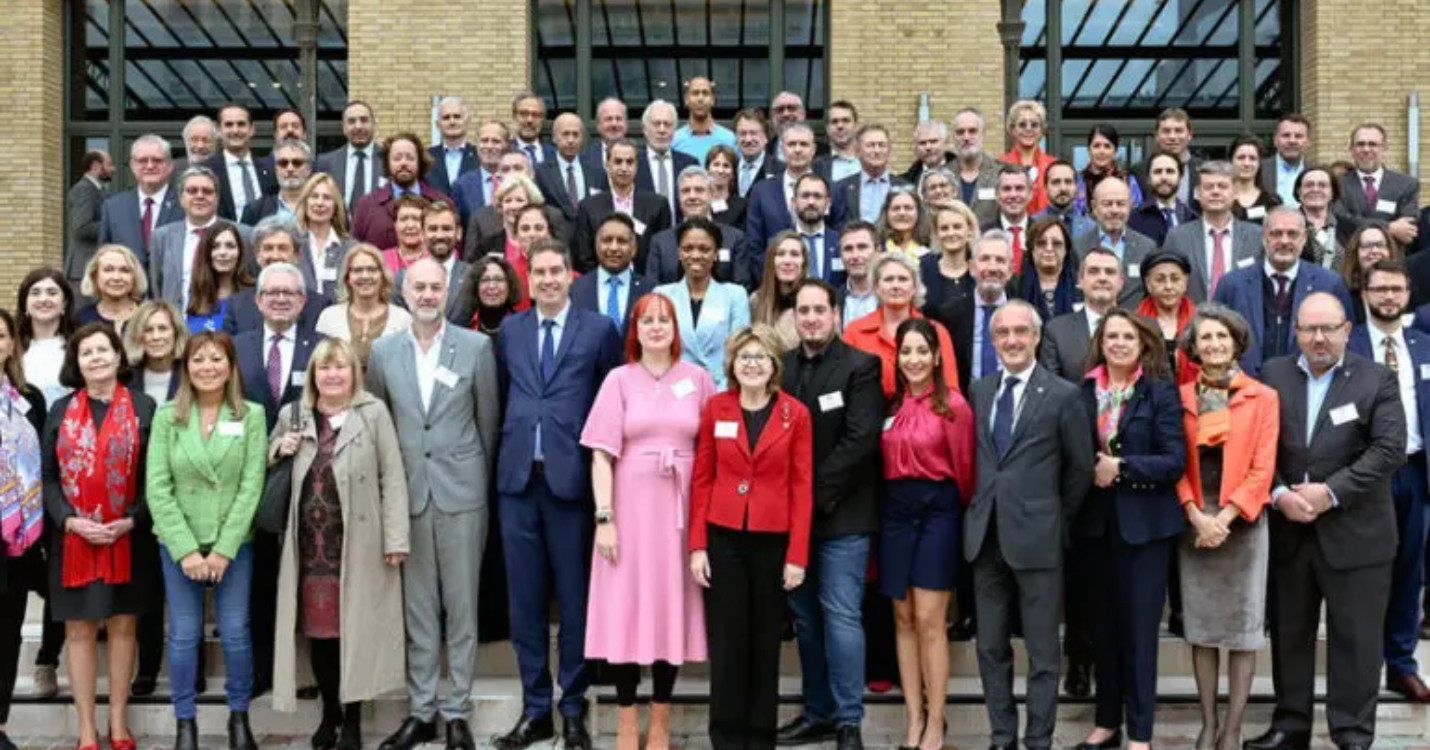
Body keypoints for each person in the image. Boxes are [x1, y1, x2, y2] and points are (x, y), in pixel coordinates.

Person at [1245, 292, 1405, 750]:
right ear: (1295, 330)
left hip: (1357, 533)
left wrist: (1329, 493)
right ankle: (1290, 725)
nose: (1318, 338)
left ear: (1346, 331)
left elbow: (1388, 451)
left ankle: (1352, 731)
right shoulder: (1273, 374)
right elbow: (1257, 445)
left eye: (1328, 329)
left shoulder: (1377, 379)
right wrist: (1276, 494)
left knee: (1356, 641)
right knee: (1290, 634)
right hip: (1291, 531)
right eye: (1309, 329)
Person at [366, 258, 500, 750]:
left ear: (447, 291)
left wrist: (480, 488)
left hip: (462, 493)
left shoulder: (476, 347)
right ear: (403, 290)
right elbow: (379, 421)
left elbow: (488, 424)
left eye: (434, 287)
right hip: (408, 495)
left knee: (462, 607)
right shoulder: (382, 352)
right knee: (419, 611)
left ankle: (458, 712)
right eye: (417, 286)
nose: (426, 294)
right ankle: (422, 711)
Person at [492, 242, 622, 750]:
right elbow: (504, 396)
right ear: (528, 277)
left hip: (572, 482)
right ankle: (535, 708)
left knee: (573, 600)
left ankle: (572, 708)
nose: (547, 279)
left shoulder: (598, 330)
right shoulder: (511, 331)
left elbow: (609, 400)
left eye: (555, 271)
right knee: (524, 602)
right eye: (538, 272)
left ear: (570, 276)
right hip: (518, 481)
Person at [579, 293, 718, 750]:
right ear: (635, 331)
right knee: (626, 610)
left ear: (676, 330)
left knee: (668, 610)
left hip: (678, 516)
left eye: (665, 320)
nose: (656, 327)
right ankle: (624, 720)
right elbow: (601, 453)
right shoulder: (619, 380)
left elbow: (715, 452)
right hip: (628, 511)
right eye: (647, 321)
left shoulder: (698, 379)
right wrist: (605, 517)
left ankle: (659, 718)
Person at [269, 338, 410, 749]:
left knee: (357, 632)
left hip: (360, 544)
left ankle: (352, 720)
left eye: (340, 367)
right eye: (324, 368)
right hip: (310, 550)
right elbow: (267, 457)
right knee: (322, 634)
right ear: (314, 374)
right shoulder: (294, 414)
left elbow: (393, 476)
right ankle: (329, 711)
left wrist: (396, 537)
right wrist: (282, 446)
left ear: (354, 373)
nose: (332, 375)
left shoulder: (373, 413)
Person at [966, 299, 1094, 750]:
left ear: (1037, 337)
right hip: (985, 539)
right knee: (990, 649)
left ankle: (1038, 739)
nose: (1012, 340)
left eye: (1021, 332)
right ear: (994, 340)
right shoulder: (979, 391)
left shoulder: (1062, 394)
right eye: (1003, 333)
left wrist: (1056, 520)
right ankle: (1003, 738)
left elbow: (1079, 470)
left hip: (1039, 540)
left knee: (1042, 653)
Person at [690, 324, 813, 750]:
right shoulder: (716, 409)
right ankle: (725, 737)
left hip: (772, 541)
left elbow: (802, 487)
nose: (753, 364)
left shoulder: (794, 414)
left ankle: (760, 738)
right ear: (732, 365)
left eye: (761, 357)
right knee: (727, 642)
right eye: (745, 357)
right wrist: (697, 546)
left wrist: (797, 555)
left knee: (764, 641)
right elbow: (702, 479)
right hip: (723, 539)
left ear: (774, 364)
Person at [775, 279, 884, 750]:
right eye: (804, 311)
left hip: (841, 515)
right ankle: (817, 712)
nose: (813, 318)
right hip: (790, 522)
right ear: (795, 318)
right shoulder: (781, 368)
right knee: (805, 620)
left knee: (840, 616)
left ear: (836, 314)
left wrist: (812, 497)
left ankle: (848, 721)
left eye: (821, 309)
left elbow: (860, 441)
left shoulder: (861, 366)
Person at [146, 331, 267, 750]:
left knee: (235, 631)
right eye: (199, 360)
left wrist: (223, 548)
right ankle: (185, 723)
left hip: (233, 543)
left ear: (231, 367)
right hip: (180, 543)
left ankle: (239, 718)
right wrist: (185, 550)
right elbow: (157, 488)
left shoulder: (251, 415)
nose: (208, 367)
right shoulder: (167, 417)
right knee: (182, 634)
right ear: (187, 368)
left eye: (217, 359)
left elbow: (252, 486)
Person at [1073, 310, 1186, 750]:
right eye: (1111, 336)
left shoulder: (1160, 392)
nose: (1118, 343)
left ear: (1143, 344)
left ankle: (1140, 733)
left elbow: (1173, 461)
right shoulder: (1083, 391)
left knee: (1139, 634)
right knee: (1102, 630)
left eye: (1127, 336)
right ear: (1100, 342)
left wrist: (1120, 467)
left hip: (1144, 528)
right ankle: (1106, 723)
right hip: (1094, 527)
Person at [42, 323, 158, 750]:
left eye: (102, 350)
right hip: (73, 540)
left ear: (117, 356)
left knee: (125, 627)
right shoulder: (59, 410)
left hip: (129, 537)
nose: (95, 358)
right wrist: (69, 520)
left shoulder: (145, 407)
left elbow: (154, 476)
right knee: (80, 631)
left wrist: (132, 518)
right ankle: (87, 729)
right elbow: (48, 477)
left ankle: (119, 724)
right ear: (77, 363)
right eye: (86, 352)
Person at [1174, 304, 1279, 750]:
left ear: (1236, 343)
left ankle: (1233, 728)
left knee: (1241, 631)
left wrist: (1225, 517)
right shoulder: (1178, 397)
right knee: (1202, 629)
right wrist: (1197, 514)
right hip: (1195, 521)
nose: (1214, 344)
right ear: (1193, 349)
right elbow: (1174, 461)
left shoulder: (1262, 396)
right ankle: (1208, 723)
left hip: (1243, 522)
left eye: (1222, 337)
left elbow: (1263, 466)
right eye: (1206, 338)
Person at [881, 318, 976, 750]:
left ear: (937, 357)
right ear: (897, 358)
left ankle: (937, 722)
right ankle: (913, 720)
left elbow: (965, 474)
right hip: (895, 513)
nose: (914, 359)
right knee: (901, 618)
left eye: (922, 351)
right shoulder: (889, 406)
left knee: (929, 619)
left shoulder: (954, 407)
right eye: (906, 352)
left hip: (938, 510)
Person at [1347, 260, 1430, 702]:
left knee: (1409, 572)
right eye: (1380, 289)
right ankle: (1362, 668)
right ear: (1365, 293)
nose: (1389, 297)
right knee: (1363, 574)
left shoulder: (1424, 346)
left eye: (1396, 289)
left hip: (1416, 472)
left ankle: (1401, 665)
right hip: (1363, 476)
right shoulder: (1351, 345)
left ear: (1407, 293)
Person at [1211, 208, 1355, 375]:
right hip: (1246, 389)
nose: (1284, 241)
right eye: (1276, 234)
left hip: (1309, 387)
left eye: (1292, 234)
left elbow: (1347, 341)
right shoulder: (1232, 284)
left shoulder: (1330, 284)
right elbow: (1212, 333)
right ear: (1264, 238)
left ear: (1304, 239)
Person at [0, 308, 47, 750]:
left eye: (0, 336)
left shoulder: (27, 398)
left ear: (12, 344)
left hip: (16, 541)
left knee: (7, 634)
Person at [843, 253, 960, 397]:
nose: (896, 286)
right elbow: (845, 387)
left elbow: (950, 391)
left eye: (903, 279)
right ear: (876, 288)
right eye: (888, 279)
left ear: (915, 288)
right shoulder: (855, 331)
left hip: (926, 415)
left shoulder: (936, 331)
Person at [654, 218, 752, 389]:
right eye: (688, 248)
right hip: (674, 390)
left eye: (704, 249)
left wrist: (719, 391)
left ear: (716, 254)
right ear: (679, 253)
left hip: (722, 389)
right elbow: (657, 353)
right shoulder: (662, 295)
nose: (696, 255)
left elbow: (740, 352)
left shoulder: (735, 295)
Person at [148, 168, 253, 309]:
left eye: (207, 191)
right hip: (177, 325)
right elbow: (156, 287)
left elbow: (250, 280)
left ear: (217, 197)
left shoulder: (244, 234)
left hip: (228, 323)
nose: (200, 196)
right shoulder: (162, 237)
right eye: (192, 191)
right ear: (181, 197)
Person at [1162, 162, 1263, 303]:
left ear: (1235, 193)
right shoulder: (1177, 237)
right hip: (1193, 321)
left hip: (1242, 321)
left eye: (1223, 186)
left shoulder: (1257, 236)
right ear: (1197, 193)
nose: (1215, 192)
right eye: (1208, 187)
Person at [929, 231, 1016, 394]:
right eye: (985, 259)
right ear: (972, 268)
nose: (992, 267)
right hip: (964, 407)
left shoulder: (1026, 314)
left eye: (1000, 260)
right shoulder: (949, 315)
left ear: (1010, 270)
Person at [574, 139, 674, 274]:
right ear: (607, 165)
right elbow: (584, 256)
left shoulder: (657, 204)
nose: (624, 168)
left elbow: (663, 251)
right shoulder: (588, 207)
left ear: (637, 166)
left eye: (629, 162)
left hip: (645, 284)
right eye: (618, 161)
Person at [643, 167, 746, 288]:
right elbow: (653, 289)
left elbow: (742, 285)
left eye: (699, 190)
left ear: (712, 194)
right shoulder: (660, 241)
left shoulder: (735, 238)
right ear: (678, 196)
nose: (692, 196)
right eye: (686, 191)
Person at [223, 217, 328, 336]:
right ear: (257, 255)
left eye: (283, 248)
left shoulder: (320, 306)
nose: (275, 255)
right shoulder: (237, 305)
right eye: (268, 248)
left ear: (297, 254)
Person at [315, 243, 413, 367]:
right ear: (347, 277)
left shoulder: (402, 319)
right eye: (357, 270)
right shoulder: (329, 317)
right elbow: (320, 366)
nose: (365, 276)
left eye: (372, 270)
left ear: (383, 275)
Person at [1039, 248, 1127, 382]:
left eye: (1110, 272)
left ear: (1121, 282)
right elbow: (1049, 390)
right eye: (1093, 271)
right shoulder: (1056, 331)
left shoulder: (1142, 328)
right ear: (1080, 281)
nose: (1102, 278)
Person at [352, 134, 450, 250]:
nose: (404, 163)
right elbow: (354, 250)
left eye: (410, 158)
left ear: (420, 162)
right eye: (397, 158)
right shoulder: (367, 205)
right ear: (387, 163)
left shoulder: (441, 203)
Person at [1073, 177, 1156, 309]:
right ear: (1094, 207)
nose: (1114, 210)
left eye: (1121, 204)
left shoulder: (1147, 248)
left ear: (1130, 206)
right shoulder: (1077, 248)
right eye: (1107, 204)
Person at [98, 135, 181, 266]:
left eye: (157, 160)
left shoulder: (185, 204)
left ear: (170, 166)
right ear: (132, 165)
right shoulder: (113, 207)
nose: (150, 165)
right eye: (142, 160)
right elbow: (103, 257)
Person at [1334, 122, 1420, 248]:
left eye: (1372, 144)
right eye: (1360, 144)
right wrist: (1389, 227)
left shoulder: (1406, 184)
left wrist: (1358, 223)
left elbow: (1407, 228)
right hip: (1349, 260)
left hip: (1390, 259)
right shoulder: (1337, 183)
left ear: (1384, 147)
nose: (1366, 149)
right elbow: (1341, 220)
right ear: (1351, 149)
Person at [572, 214, 655, 335]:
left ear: (634, 249)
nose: (614, 247)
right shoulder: (575, 289)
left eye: (621, 241)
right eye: (607, 240)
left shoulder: (651, 290)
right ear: (596, 245)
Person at [200, 103, 276, 221]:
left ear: (251, 129)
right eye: (229, 125)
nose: (235, 130)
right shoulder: (205, 171)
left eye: (241, 124)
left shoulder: (271, 169)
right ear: (219, 131)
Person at [535, 113, 606, 239]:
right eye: (565, 134)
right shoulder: (541, 172)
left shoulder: (597, 172)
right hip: (556, 243)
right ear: (554, 138)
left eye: (575, 134)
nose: (571, 140)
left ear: (582, 138)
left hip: (589, 242)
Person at [1135, 252, 1199, 385]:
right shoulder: (1134, 323)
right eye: (1160, 280)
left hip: (1195, 399)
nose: (1168, 286)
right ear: (1148, 283)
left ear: (1186, 281)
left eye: (1175, 279)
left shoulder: (1201, 322)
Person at [17, 268, 77, 408]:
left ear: (64, 303)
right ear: (24, 303)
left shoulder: (79, 345)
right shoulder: (10, 345)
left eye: (52, 293)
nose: (43, 299)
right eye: (35, 293)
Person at [294, 173, 356, 301]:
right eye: (314, 196)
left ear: (336, 205)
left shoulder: (351, 248)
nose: (320, 203)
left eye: (327, 198)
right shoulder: (293, 243)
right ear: (305, 202)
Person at [184, 223, 254, 333]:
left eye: (230, 246)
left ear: (240, 252)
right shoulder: (196, 292)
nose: (222, 252)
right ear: (206, 252)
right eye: (215, 246)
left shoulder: (254, 294)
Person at [634, 100, 698, 218]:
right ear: (645, 129)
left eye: (667, 124)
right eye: (656, 124)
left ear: (674, 130)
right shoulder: (632, 163)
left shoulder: (689, 164)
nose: (662, 130)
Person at [316, 101, 384, 209]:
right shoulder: (325, 162)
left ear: (373, 124)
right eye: (351, 121)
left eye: (364, 120)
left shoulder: (388, 160)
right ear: (343, 128)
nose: (358, 126)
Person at [833, 125, 907, 225]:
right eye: (870, 145)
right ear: (858, 151)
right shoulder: (840, 188)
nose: (877, 151)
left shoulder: (905, 187)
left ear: (889, 150)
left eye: (882, 145)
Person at [749, 231, 810, 351]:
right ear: (771, 261)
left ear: (804, 262)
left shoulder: (815, 300)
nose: (787, 261)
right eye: (781, 254)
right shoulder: (756, 301)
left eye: (795, 254)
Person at [1133, 108, 1203, 209]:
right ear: (1157, 136)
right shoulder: (1138, 172)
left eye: (1178, 131)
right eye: (1166, 131)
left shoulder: (1204, 169)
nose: (1172, 136)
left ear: (1190, 135)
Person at [66, 150, 114, 291]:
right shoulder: (83, 190)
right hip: (84, 270)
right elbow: (82, 228)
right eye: (109, 164)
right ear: (95, 166)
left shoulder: (99, 191)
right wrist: (115, 225)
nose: (113, 169)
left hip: (93, 267)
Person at [1126, 151, 1197, 247]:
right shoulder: (1133, 219)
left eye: (1170, 171)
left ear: (1180, 177)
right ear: (1148, 179)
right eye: (1158, 172)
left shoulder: (1193, 219)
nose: (1164, 177)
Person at [1073, 125, 1143, 220]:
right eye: (1096, 146)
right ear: (1089, 150)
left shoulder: (1128, 181)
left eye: (1107, 146)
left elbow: (1137, 216)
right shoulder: (1077, 181)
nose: (1101, 151)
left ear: (1115, 151)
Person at [920, 202, 978, 316]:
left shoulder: (980, 268)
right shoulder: (923, 268)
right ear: (937, 233)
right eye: (944, 228)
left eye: (957, 227)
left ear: (969, 230)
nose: (951, 233)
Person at [999, 100, 1057, 214]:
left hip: (1045, 227)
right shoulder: (999, 164)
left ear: (1042, 130)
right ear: (1012, 129)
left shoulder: (1054, 166)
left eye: (1034, 125)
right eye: (1022, 124)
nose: (1028, 129)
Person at [1018, 217, 1080, 323]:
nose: (1049, 249)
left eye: (1056, 244)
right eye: (1041, 243)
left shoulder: (1081, 287)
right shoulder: (1015, 287)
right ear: (1032, 250)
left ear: (1066, 250)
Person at [947, 108, 1002, 224]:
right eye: (960, 132)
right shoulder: (943, 175)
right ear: (953, 137)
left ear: (983, 134)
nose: (966, 137)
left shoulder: (1000, 173)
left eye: (972, 131)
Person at [242, 138, 314, 226]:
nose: (290, 169)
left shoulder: (322, 205)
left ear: (308, 169)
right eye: (283, 163)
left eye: (297, 163)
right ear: (276, 169)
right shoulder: (255, 210)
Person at [1340, 221, 1400, 324]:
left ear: (1390, 250)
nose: (1375, 251)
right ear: (1355, 253)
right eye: (1367, 246)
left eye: (1380, 245)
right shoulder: (1343, 293)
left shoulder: (1405, 289)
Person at [75, 244, 147, 328]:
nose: (116, 277)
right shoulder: (81, 319)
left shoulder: (149, 316)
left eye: (125, 270)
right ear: (94, 275)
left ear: (135, 277)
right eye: (108, 270)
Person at [673, 75, 737, 164]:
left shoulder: (730, 140)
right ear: (686, 100)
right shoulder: (674, 140)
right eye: (695, 93)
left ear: (712, 100)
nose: (700, 98)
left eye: (705, 93)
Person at [1295, 165, 1349, 270]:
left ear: (1332, 193)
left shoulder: (1348, 227)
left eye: (1322, 185)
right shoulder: (1286, 224)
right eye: (1309, 185)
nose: (1315, 189)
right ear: (1299, 192)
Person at [455, 255, 522, 335]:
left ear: (509, 285)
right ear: (476, 286)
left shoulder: (523, 327)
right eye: (485, 280)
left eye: (499, 279)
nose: (492, 286)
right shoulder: (462, 326)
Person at [983, 165, 1033, 269]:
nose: (1013, 195)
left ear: (1030, 194)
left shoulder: (1042, 233)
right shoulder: (982, 235)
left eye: (1019, 188)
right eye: (1006, 189)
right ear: (997, 195)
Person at [426, 96, 478, 196]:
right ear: (438, 124)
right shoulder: (425, 157)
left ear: (466, 122)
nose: (452, 122)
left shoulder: (480, 156)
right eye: (446, 117)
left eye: (457, 116)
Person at [1229, 135, 1281, 225]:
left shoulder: (1272, 201)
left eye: (1252, 158)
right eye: (1241, 157)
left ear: (1259, 163)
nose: (1246, 163)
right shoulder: (1219, 198)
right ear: (1231, 161)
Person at [1036, 159, 1094, 239]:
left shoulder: (1090, 228)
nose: (1063, 188)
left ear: (1076, 187)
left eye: (1068, 182)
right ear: (1046, 188)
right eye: (1056, 182)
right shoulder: (1033, 223)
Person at [836, 223, 880, 327]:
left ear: (878, 250)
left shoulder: (893, 297)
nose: (855, 255)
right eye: (848, 249)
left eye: (862, 247)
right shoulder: (832, 301)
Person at [1265, 114, 1311, 206]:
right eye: (1286, 135)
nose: (1292, 141)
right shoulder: (1259, 170)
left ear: (1307, 142)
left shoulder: (1316, 172)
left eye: (1298, 136)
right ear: (1275, 140)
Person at [381, 195, 432, 275]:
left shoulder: (438, 257)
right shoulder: (381, 259)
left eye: (416, 219)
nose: (410, 225)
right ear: (395, 224)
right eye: (404, 219)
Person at [877, 185, 930, 258]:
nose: (902, 213)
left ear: (918, 212)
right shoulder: (876, 249)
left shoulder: (931, 247)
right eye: (896, 208)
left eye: (908, 208)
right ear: (886, 213)